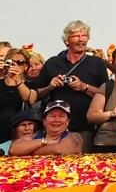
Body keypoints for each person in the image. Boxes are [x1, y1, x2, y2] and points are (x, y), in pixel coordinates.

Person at [31, 21, 109, 149]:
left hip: (85, 128)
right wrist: (50, 86)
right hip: (55, 129)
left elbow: (107, 94)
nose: (80, 39)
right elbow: (35, 96)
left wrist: (84, 87)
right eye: (75, 36)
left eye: (84, 36)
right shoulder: (52, 63)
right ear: (66, 41)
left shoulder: (97, 63)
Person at [9, 101, 83, 156]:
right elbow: (13, 149)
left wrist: (29, 152)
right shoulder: (34, 136)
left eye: (61, 116)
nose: (56, 120)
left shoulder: (74, 136)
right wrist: (45, 141)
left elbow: (59, 150)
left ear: (67, 122)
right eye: (52, 116)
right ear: (44, 121)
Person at [1, 48, 36, 144]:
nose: (15, 65)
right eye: (12, 62)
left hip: (20, 137)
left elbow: (29, 99)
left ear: (26, 66)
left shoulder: (30, 84)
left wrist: (17, 81)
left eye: (20, 63)